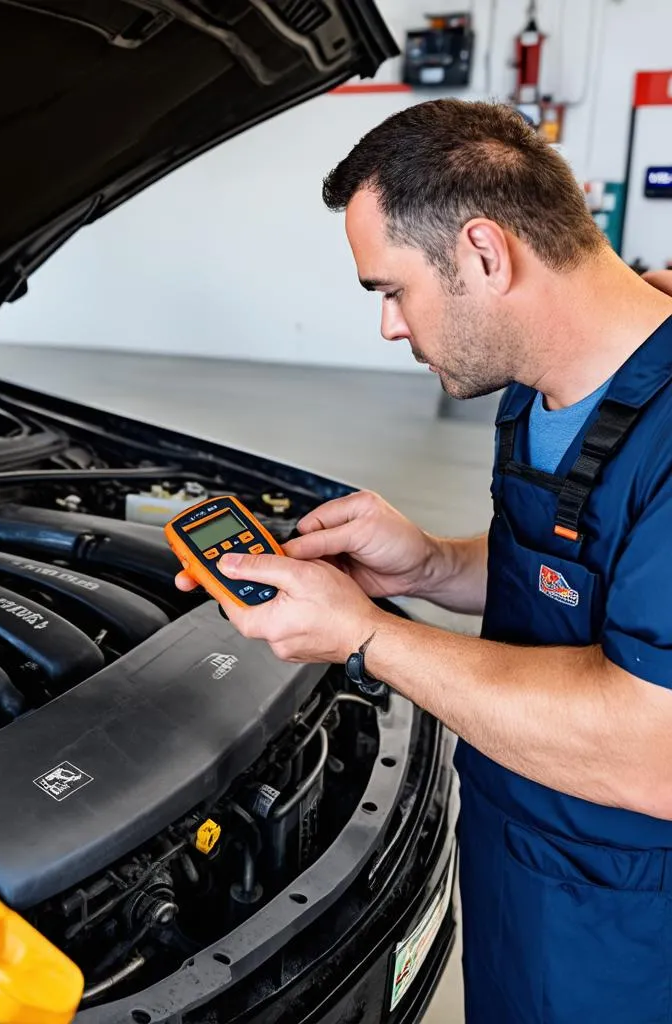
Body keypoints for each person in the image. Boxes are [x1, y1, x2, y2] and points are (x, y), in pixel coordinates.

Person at [176, 100, 672, 1023]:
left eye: (391, 290)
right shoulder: (539, 384)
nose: (389, 328)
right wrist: (428, 567)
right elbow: (572, 575)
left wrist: (364, 635)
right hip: (518, 852)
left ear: (484, 252)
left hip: (635, 922)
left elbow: (656, 751)